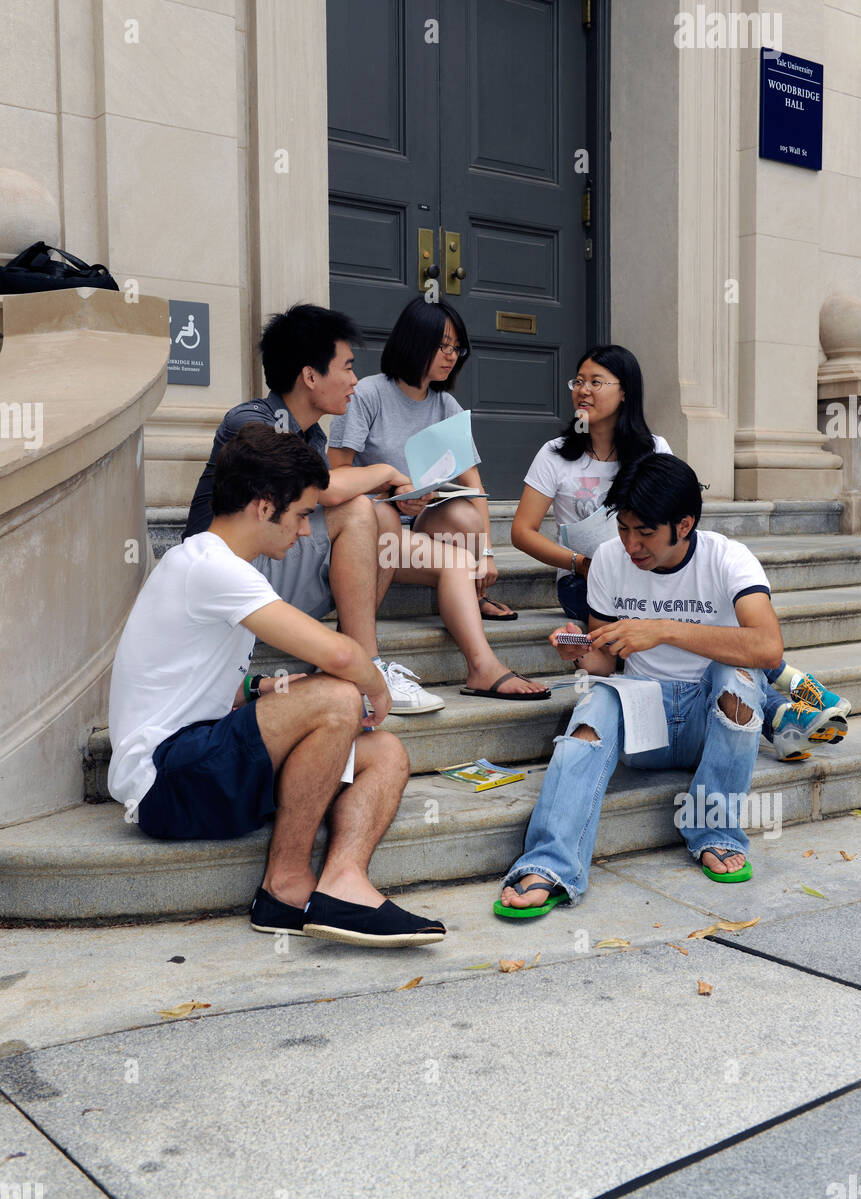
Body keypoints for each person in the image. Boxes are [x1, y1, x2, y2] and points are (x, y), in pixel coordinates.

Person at [108, 424, 446, 947]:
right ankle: (285, 886)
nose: (307, 532)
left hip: (205, 760)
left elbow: (198, 680)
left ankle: (341, 884)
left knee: (386, 753)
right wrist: (374, 686)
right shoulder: (211, 566)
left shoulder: (217, 566)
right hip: (166, 778)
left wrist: (266, 687)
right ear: (264, 507)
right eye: (302, 514)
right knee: (337, 693)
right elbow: (339, 653)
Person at [511, 344, 850, 760]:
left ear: (625, 392)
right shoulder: (555, 455)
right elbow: (522, 533)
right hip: (588, 580)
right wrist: (581, 563)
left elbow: (675, 516)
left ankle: (792, 704)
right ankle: (786, 709)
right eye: (578, 381)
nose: (582, 390)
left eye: (596, 382)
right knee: (719, 637)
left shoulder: (653, 448)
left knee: (720, 626)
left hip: (657, 573)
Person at [496, 453, 786, 918]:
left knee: (739, 679)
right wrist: (581, 653)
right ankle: (549, 864)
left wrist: (663, 628)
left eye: (645, 532)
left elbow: (769, 647)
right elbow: (606, 662)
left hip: (707, 724)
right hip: (641, 719)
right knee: (594, 708)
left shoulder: (728, 558)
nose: (632, 544)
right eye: (624, 528)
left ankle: (713, 831)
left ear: (685, 524)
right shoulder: (610, 560)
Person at [184, 303, 444, 715]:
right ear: (310, 375)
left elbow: (326, 492)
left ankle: (354, 655)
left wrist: (391, 492)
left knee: (382, 514)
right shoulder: (251, 421)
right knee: (359, 510)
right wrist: (388, 471)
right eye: (347, 366)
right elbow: (323, 490)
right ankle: (367, 667)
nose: (355, 380)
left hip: (274, 569)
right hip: (230, 578)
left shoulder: (312, 436)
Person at [328, 296, 548, 701]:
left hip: (418, 524)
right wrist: (392, 491)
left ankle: (478, 637)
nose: (451, 356)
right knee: (456, 561)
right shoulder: (367, 395)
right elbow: (335, 473)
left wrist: (488, 555)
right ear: (415, 341)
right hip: (373, 531)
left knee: (465, 519)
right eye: (443, 345)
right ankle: (482, 663)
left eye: (456, 347)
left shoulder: (445, 404)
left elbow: (474, 481)